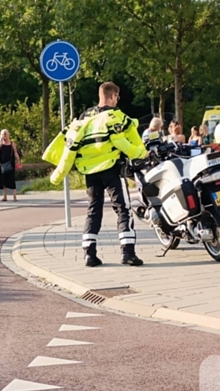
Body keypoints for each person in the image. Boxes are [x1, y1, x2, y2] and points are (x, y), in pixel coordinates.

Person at [47, 82, 146, 267]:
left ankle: (89, 255)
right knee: (123, 209)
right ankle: (128, 253)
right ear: (112, 96)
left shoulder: (85, 116)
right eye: (117, 97)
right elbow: (123, 143)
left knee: (94, 211)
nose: (118, 101)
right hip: (112, 169)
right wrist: (141, 154)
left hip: (90, 173)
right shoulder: (115, 116)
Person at [0, 129, 21, 201]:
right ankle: (5, 197)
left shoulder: (12, 143)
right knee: (3, 180)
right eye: (3, 134)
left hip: (10, 164)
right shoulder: (0, 144)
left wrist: (18, 161)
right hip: (2, 164)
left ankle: (14, 197)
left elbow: (15, 152)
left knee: (11, 179)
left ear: (8, 135)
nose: (4, 135)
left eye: (5, 134)